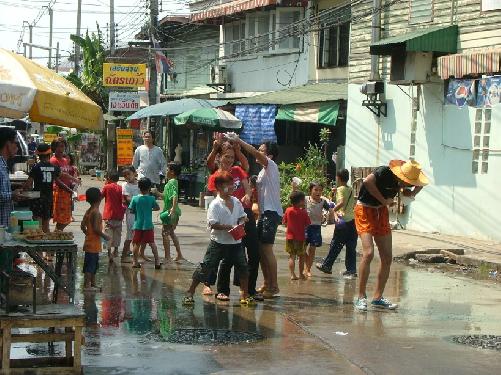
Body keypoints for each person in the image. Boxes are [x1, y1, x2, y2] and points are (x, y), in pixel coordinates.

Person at [354, 160, 428, 312]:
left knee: (387, 257)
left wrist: (412, 194)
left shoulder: (405, 182)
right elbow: (367, 181)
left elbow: (421, 184)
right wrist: (384, 201)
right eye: (406, 182)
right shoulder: (385, 171)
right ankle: (361, 297)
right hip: (365, 210)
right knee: (368, 253)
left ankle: (378, 297)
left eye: (409, 182)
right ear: (400, 175)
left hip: (381, 213)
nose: (406, 184)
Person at [182, 171, 254, 306]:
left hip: (236, 242)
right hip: (218, 242)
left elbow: (242, 216)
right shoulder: (215, 204)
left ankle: (245, 294)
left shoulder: (236, 201)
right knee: (206, 267)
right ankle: (190, 292)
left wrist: (243, 221)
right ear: (220, 187)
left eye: (233, 184)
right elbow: (213, 224)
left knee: (243, 267)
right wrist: (230, 227)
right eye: (229, 185)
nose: (233, 187)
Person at [228, 134, 282, 299]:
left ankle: (274, 286)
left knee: (266, 250)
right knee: (259, 250)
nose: (258, 152)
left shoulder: (271, 165)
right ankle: (267, 283)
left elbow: (254, 154)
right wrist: (237, 150)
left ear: (269, 155)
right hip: (265, 213)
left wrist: (240, 142)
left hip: (271, 213)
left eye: (261, 151)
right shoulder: (261, 173)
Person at [207, 143, 261, 301]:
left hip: (244, 213)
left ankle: (249, 289)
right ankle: (222, 289)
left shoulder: (238, 170)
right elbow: (218, 197)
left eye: (232, 157)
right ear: (220, 157)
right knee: (228, 255)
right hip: (227, 217)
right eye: (226, 156)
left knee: (254, 253)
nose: (230, 160)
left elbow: (247, 186)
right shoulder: (216, 176)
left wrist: (248, 195)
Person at [316, 169, 358, 278]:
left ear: (338, 178)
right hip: (353, 221)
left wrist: (333, 210)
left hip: (342, 221)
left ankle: (327, 265)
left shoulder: (340, 189)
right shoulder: (350, 189)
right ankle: (351, 270)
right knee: (351, 247)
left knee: (335, 245)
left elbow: (342, 202)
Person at [22, 144, 64, 233]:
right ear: (49, 154)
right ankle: (46, 243)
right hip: (49, 198)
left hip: (37, 198)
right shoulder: (54, 168)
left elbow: (28, 184)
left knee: (37, 224)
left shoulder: (36, 167)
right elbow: (59, 178)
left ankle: (38, 241)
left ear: (38, 155)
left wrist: (23, 189)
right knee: (46, 225)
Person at [81, 187, 110, 292]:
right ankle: (87, 286)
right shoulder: (96, 213)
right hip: (93, 244)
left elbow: (82, 225)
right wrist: (105, 236)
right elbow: (97, 229)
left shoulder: (89, 211)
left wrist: (87, 234)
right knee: (91, 266)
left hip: (89, 242)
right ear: (99, 198)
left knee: (92, 266)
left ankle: (92, 284)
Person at [129, 177, 162, 269]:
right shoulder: (151, 199)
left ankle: (135, 262)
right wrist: (150, 209)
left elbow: (131, 210)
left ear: (139, 187)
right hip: (148, 225)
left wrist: (137, 211)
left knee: (136, 244)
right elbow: (157, 208)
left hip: (138, 225)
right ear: (149, 188)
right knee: (152, 243)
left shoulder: (135, 199)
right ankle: (157, 262)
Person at [304, 181, 332, 277]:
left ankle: (308, 269)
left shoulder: (323, 202)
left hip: (316, 227)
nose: (318, 192)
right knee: (301, 249)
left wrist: (335, 216)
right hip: (305, 227)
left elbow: (331, 209)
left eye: (320, 190)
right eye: (316, 190)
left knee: (312, 249)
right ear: (310, 190)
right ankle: (307, 264)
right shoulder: (305, 199)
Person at [50, 138, 78, 231]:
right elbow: (56, 179)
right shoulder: (54, 161)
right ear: (54, 147)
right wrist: (68, 189)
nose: (61, 148)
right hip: (59, 191)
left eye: (63, 146)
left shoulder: (65, 160)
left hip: (67, 192)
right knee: (62, 218)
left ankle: (57, 233)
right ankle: (56, 234)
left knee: (67, 218)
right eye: (59, 146)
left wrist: (72, 185)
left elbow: (67, 175)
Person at [283, 191, 310, 280]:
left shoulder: (288, 210)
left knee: (292, 256)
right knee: (301, 256)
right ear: (301, 201)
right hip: (301, 238)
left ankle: (292, 274)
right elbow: (307, 224)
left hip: (290, 237)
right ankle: (301, 274)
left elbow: (284, 222)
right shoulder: (304, 212)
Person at [160, 163, 185, 262]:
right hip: (172, 211)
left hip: (170, 212)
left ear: (172, 172)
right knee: (171, 233)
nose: (165, 172)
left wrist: (173, 209)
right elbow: (166, 196)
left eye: (167, 170)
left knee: (165, 233)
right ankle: (179, 254)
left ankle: (167, 257)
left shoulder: (172, 182)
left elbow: (174, 196)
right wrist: (156, 193)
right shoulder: (171, 182)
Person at [101, 170, 126, 261]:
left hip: (108, 215)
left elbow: (100, 196)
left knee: (108, 234)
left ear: (109, 178)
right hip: (119, 215)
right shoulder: (121, 188)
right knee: (117, 234)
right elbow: (123, 201)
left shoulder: (107, 187)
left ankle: (109, 253)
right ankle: (115, 250)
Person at [0, 127, 22, 227]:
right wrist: (11, 195)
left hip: (4, 228)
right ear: (8, 144)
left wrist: (14, 191)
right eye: (16, 143)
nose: (17, 147)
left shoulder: (4, 165)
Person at [121, 166, 140, 262]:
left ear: (134, 173)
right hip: (131, 213)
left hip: (140, 213)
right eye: (125, 175)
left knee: (138, 236)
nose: (127, 177)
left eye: (128, 174)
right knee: (130, 235)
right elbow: (128, 199)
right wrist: (141, 200)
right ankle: (124, 255)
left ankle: (136, 256)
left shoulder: (140, 184)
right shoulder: (125, 185)